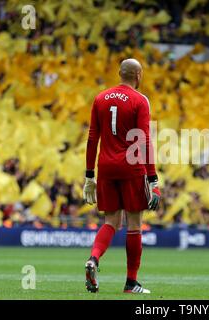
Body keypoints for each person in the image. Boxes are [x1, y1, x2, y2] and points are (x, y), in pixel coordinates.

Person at [82, 58, 161, 293]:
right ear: (138, 76)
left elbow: (92, 138)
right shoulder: (140, 100)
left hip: (106, 167)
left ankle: (93, 259)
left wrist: (89, 176)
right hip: (131, 168)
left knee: (111, 222)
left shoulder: (100, 98)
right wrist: (153, 180)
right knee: (134, 224)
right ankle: (130, 282)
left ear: (119, 73)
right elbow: (144, 140)